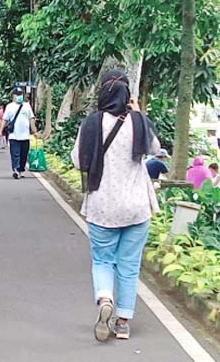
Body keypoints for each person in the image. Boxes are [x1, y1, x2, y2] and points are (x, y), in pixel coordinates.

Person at [71, 70, 161, 342]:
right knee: (129, 265)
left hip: (102, 206)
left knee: (102, 260)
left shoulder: (90, 124)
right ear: (126, 94)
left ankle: (105, 299)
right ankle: (123, 322)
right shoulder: (138, 122)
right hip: (136, 207)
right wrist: (139, 114)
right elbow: (156, 149)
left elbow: (78, 161)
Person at [0, 87, 37, 179]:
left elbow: (31, 118)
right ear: (13, 96)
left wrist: (34, 131)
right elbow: (5, 119)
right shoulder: (10, 106)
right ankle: (16, 170)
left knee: (24, 154)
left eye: (21, 94)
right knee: (15, 154)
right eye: (17, 95)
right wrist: (1, 131)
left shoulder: (27, 106)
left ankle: (21, 170)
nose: (19, 96)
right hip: (14, 135)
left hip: (25, 136)